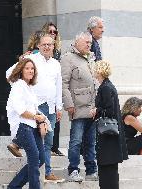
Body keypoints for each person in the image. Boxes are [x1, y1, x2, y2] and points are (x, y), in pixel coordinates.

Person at [6, 34, 64, 182]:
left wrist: (59, 106)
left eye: (50, 45)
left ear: (53, 46)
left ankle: (47, 172)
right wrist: (23, 89)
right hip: (34, 107)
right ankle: (37, 172)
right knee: (36, 151)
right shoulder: (31, 60)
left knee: (48, 142)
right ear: (38, 45)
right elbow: (9, 74)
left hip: (50, 107)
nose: (47, 47)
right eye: (44, 44)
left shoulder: (56, 64)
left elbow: (58, 86)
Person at [61, 31, 98, 182]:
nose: (89, 45)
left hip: (92, 108)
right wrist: (68, 104)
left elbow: (95, 83)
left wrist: (98, 106)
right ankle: (73, 170)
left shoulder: (91, 58)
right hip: (77, 107)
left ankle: (91, 170)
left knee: (90, 142)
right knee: (76, 141)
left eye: (90, 43)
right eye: (86, 43)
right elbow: (63, 84)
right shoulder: (67, 58)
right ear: (77, 43)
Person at [6, 56, 47, 189]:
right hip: (23, 127)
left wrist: (41, 119)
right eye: (27, 68)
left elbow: (33, 109)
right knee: (34, 158)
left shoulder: (29, 87)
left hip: (33, 127)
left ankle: (14, 186)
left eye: (32, 68)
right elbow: (21, 110)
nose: (30, 71)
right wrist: (36, 117)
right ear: (21, 70)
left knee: (41, 159)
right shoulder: (18, 86)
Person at [91, 60, 128, 189]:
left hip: (108, 135)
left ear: (99, 71)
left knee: (107, 169)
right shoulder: (107, 85)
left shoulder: (105, 87)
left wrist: (97, 111)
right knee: (109, 169)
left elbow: (109, 110)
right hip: (110, 135)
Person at [42, 22, 64, 156]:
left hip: (54, 92)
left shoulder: (57, 52)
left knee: (55, 121)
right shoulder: (37, 53)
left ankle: (54, 147)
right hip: (41, 97)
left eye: (54, 32)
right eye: (50, 31)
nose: (53, 33)